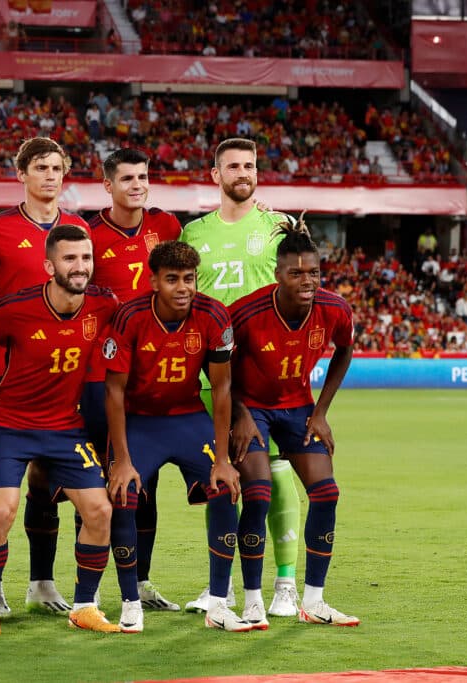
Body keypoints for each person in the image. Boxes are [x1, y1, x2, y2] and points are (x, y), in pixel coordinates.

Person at [0, 225, 119, 636]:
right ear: (48, 265)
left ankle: (85, 606)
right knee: (1, 511)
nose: (80, 267)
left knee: (100, 511)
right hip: (10, 426)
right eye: (70, 259)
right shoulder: (14, 309)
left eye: (86, 258)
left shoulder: (103, 304)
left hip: (64, 427)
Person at [179, 137, 303, 617]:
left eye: (249, 165)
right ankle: (221, 590)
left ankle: (286, 584)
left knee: (274, 471)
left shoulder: (278, 228)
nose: (242, 172)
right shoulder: (194, 234)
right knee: (221, 476)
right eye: (233, 165)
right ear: (216, 175)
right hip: (211, 374)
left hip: (266, 371)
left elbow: (302, 288)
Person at [103, 241, 248, 633]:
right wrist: (120, 459)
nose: (182, 288)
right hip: (140, 421)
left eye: (189, 279)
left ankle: (219, 603)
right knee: (124, 494)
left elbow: (221, 389)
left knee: (224, 487)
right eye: (172, 280)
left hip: (187, 418)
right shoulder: (130, 316)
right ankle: (130, 601)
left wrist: (222, 458)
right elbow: (113, 391)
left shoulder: (213, 315)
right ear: (154, 281)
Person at [0, 136, 90, 615]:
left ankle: (42, 582)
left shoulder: (80, 228)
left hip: (66, 379)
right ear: (21, 174)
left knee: (49, 484)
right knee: (0, 488)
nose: (49, 175)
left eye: (56, 167)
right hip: (8, 375)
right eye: (39, 167)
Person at [228, 217, 358, 628]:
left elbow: (344, 351)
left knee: (327, 493)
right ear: (278, 274)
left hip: (298, 407)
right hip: (251, 408)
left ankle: (314, 602)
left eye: (314, 272)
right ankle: (252, 601)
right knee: (259, 493)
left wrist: (320, 412)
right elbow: (218, 373)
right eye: (297, 273)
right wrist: (241, 417)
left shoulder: (335, 309)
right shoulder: (245, 314)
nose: (307, 280)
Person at [89, 147, 183, 614]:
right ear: (108, 185)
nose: (137, 185)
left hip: (155, 378)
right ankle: (70, 586)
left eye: (143, 177)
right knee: (93, 483)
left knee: (147, 485)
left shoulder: (166, 227)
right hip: (104, 378)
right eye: (127, 178)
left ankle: (140, 583)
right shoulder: (89, 233)